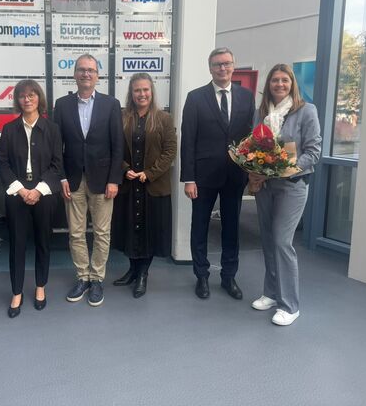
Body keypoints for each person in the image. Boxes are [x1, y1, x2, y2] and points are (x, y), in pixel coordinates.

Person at [180, 47, 255, 300]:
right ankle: (201, 276)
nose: (222, 68)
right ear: (210, 68)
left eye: (226, 63)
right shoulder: (195, 98)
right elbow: (188, 139)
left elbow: (249, 138)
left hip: (235, 175)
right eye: (217, 64)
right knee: (199, 227)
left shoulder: (246, 97)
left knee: (231, 228)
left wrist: (250, 172)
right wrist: (189, 178)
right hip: (203, 176)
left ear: (233, 66)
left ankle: (228, 277)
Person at [249, 64, 321, 326]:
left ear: (292, 84)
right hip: (265, 186)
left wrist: (283, 169)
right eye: (275, 80)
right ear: (268, 85)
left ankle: (290, 305)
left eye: (284, 80)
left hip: (292, 185)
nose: (279, 84)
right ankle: (271, 292)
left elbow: (313, 152)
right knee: (268, 240)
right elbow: (254, 147)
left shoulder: (306, 111)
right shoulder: (261, 113)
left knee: (281, 241)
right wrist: (254, 171)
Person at [53, 54, 124, 306]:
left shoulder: (111, 104)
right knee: (76, 232)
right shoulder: (62, 105)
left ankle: (97, 279)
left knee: (102, 233)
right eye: (82, 69)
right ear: (74, 74)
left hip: (103, 180)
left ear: (97, 75)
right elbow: (56, 146)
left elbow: (118, 145)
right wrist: (61, 177)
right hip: (72, 180)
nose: (86, 74)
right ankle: (82, 277)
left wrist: (114, 179)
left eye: (91, 70)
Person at [0, 80, 63, 318]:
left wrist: (38, 190)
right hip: (17, 194)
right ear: (17, 100)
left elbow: (57, 165)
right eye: (22, 95)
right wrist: (21, 190)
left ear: (39, 98)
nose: (27, 99)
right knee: (17, 244)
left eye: (32, 95)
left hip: (43, 194)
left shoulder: (52, 129)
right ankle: (16, 292)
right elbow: (2, 163)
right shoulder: (9, 129)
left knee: (43, 241)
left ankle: (40, 286)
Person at [111, 73, 177, 298]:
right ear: (131, 93)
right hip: (128, 186)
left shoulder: (164, 119)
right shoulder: (121, 118)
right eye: (137, 90)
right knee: (130, 230)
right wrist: (124, 168)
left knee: (150, 231)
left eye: (145, 89)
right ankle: (132, 270)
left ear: (152, 91)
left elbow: (170, 151)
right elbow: (113, 148)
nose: (142, 94)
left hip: (153, 186)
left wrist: (149, 173)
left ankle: (143, 274)